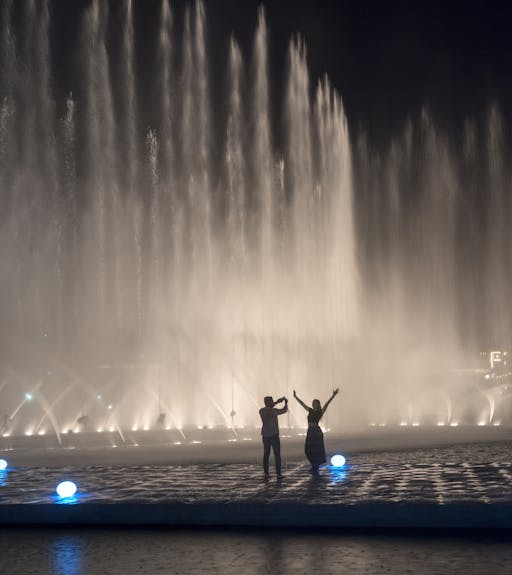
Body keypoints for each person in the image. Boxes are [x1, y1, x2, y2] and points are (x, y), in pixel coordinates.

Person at [293, 388, 339, 475]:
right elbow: (302, 404)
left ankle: (315, 467)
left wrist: (333, 395)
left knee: (316, 450)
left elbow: (327, 403)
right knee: (307, 449)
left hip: (316, 431)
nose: (314, 404)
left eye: (315, 403)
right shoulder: (310, 410)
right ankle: (314, 465)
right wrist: (295, 397)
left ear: (318, 404)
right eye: (313, 403)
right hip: (310, 431)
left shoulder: (320, 411)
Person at [259, 395, 288, 478]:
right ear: (268, 402)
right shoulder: (274, 411)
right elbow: (284, 410)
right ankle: (278, 474)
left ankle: (266, 473)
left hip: (265, 435)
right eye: (271, 401)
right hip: (274, 435)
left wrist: (277, 402)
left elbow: (269, 408)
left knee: (266, 454)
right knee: (277, 454)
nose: (272, 402)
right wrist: (285, 403)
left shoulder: (261, 411)